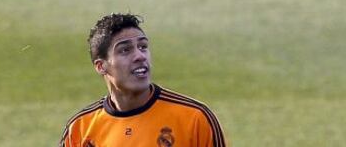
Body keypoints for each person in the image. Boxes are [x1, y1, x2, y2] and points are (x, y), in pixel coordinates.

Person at [59, 13, 228, 147]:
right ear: (101, 66)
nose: (140, 56)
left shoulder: (195, 118)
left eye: (143, 47)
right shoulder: (80, 128)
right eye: (125, 50)